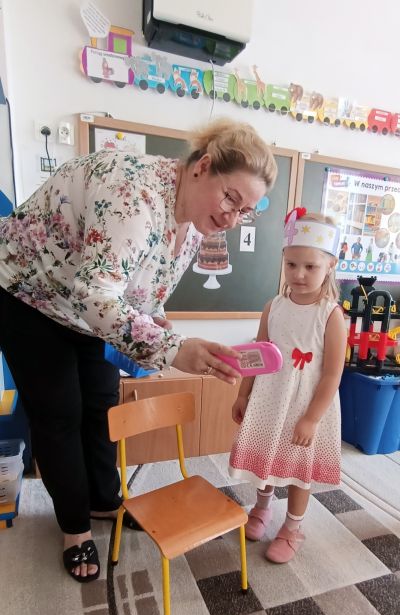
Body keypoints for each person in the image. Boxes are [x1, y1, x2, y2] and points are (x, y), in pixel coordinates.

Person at [0, 118, 277, 582]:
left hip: (84, 306)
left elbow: (142, 290)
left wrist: (164, 329)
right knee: (59, 413)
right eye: (231, 198)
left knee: (101, 401)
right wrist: (173, 348)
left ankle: (104, 501)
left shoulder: (194, 225)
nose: (232, 218)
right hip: (30, 294)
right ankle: (74, 527)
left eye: (246, 210)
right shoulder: (133, 193)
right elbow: (97, 294)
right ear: (202, 167)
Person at [229, 208, 347, 563]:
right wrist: (243, 393)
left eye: (310, 266)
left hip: (307, 405)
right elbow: (257, 355)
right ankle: (262, 506)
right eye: (291, 264)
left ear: (330, 265)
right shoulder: (274, 307)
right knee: (267, 456)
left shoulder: (331, 315)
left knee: (298, 468)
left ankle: (293, 527)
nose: (299, 274)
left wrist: (311, 419)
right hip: (270, 397)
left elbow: (332, 374)